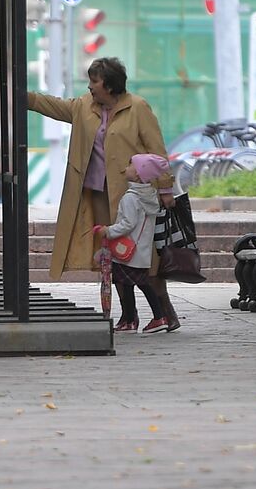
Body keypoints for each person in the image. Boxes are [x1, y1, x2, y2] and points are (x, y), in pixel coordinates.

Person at [28, 57, 180, 331]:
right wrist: (22, 96)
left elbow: (157, 151)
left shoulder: (138, 108)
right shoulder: (84, 107)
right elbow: (52, 105)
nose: (89, 87)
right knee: (113, 255)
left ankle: (165, 313)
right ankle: (128, 316)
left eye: (94, 82)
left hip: (132, 196)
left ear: (109, 85)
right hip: (98, 194)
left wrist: (166, 188)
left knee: (142, 258)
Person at [93, 154, 171, 333]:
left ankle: (149, 318)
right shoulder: (149, 197)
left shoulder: (131, 198)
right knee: (136, 283)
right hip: (141, 251)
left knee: (131, 283)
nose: (125, 169)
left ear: (138, 174)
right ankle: (140, 319)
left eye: (130, 165)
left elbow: (127, 224)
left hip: (127, 251)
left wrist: (108, 231)